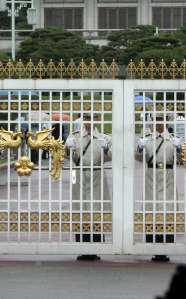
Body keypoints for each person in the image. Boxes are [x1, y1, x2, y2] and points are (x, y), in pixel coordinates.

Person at [135, 112, 182, 262]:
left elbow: (184, 159)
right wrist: (140, 149)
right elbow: (138, 158)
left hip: (167, 173)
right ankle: (154, 246)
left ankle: (166, 246)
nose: (159, 122)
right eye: (156, 119)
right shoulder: (147, 139)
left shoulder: (174, 139)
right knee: (152, 207)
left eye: (162, 119)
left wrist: (180, 148)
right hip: (152, 173)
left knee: (167, 208)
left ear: (167, 121)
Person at [65, 112, 112, 261]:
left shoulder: (105, 138)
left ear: (97, 119)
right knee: (80, 209)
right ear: (82, 119)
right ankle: (83, 247)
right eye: (86, 117)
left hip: (96, 173)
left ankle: (96, 247)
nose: (90, 120)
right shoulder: (75, 136)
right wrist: (67, 148)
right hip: (78, 173)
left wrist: (106, 149)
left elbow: (112, 156)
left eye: (93, 117)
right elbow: (68, 157)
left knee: (96, 209)